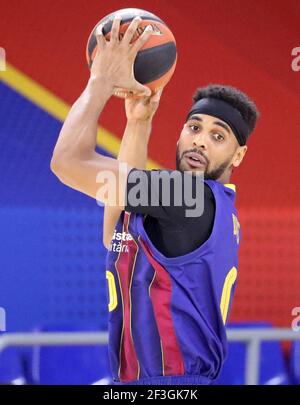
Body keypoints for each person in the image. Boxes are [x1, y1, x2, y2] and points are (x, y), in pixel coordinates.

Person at [51, 16, 259, 385]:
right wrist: (139, 123)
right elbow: (117, 235)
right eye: (194, 128)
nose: (199, 141)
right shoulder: (197, 205)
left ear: (238, 156)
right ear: (180, 135)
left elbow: (67, 162)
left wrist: (100, 79)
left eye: (218, 136)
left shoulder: (186, 197)